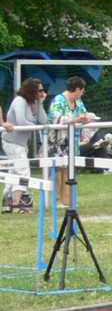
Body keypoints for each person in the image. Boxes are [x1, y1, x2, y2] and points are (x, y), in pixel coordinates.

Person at [3, 78, 46, 214]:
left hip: (22, 143)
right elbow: (21, 121)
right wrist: (35, 127)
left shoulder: (34, 102)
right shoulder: (19, 101)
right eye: (40, 90)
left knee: (14, 172)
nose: (42, 93)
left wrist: (40, 103)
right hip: (12, 142)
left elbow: (43, 120)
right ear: (32, 90)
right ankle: (17, 205)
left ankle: (7, 203)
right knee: (23, 171)